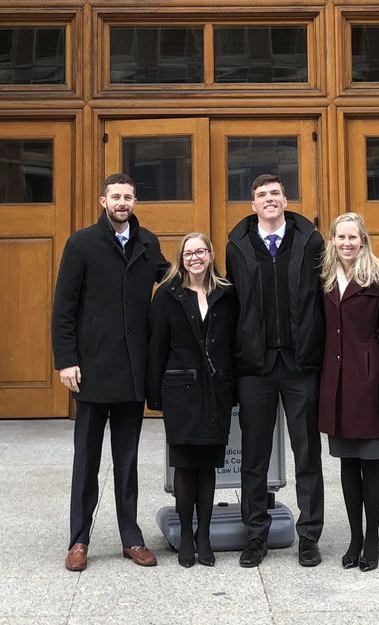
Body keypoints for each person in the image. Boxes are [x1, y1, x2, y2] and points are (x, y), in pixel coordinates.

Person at [52, 173, 169, 571]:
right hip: (91, 369)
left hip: (133, 371)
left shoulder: (148, 243)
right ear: (103, 201)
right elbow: (63, 307)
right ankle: (79, 540)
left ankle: (131, 538)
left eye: (128, 197)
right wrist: (66, 359)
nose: (122, 202)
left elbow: (173, 284)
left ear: (135, 201)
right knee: (86, 460)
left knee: (128, 459)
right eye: (116, 196)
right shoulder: (81, 243)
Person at [226, 173, 325, 568]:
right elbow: (231, 304)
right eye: (261, 195)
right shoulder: (237, 245)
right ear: (253, 205)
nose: (269, 200)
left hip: (301, 364)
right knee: (254, 456)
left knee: (307, 454)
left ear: (286, 200)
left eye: (275, 194)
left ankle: (309, 537)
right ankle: (255, 536)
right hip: (255, 366)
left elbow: (323, 297)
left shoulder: (310, 241)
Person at [318, 212, 379, 572]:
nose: (347, 244)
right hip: (335, 384)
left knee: (370, 461)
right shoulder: (323, 279)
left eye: (353, 238)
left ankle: (373, 539)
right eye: (341, 238)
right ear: (333, 241)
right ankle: (355, 537)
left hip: (368, 384)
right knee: (347, 463)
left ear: (363, 240)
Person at [147, 233, 237, 568]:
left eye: (201, 251)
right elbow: (156, 345)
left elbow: (233, 343)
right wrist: (153, 393)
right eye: (188, 253)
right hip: (180, 391)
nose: (195, 257)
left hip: (216, 392)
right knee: (185, 465)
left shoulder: (226, 293)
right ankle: (186, 535)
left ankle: (204, 537)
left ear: (211, 255)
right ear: (180, 258)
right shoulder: (167, 295)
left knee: (209, 465)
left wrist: (235, 387)